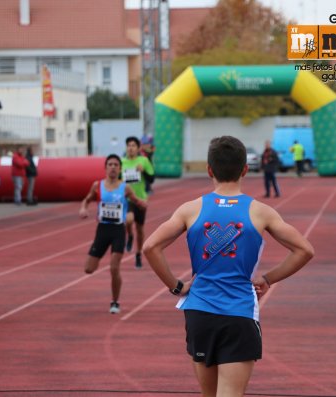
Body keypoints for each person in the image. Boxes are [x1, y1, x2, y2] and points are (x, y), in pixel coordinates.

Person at [142, 136, 314, 397]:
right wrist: (268, 279)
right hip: (239, 314)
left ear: (209, 170)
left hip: (199, 313)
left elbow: (150, 247)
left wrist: (176, 286)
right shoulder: (260, 212)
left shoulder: (190, 209)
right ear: (245, 169)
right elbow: (304, 250)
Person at [80, 154, 147, 314]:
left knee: (114, 268)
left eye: (116, 165)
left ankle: (115, 302)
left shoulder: (125, 187)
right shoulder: (97, 185)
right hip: (102, 230)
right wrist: (83, 208)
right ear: (105, 167)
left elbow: (136, 200)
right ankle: (128, 238)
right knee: (88, 269)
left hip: (118, 230)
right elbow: (87, 200)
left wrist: (141, 203)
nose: (113, 167)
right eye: (110, 164)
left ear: (120, 168)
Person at [122, 136, 154, 269]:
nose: (130, 148)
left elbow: (151, 179)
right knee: (128, 220)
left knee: (140, 229)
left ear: (138, 148)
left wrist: (144, 171)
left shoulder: (143, 160)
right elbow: (117, 179)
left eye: (133, 145)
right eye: (128, 145)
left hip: (140, 198)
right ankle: (129, 235)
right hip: (126, 198)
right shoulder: (121, 162)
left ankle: (138, 253)